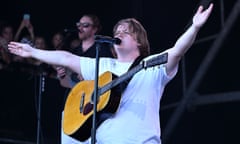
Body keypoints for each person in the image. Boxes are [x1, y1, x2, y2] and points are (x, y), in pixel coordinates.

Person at [8, 3, 213, 144]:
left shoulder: (151, 66)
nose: (119, 33)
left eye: (126, 31)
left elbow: (177, 50)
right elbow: (67, 59)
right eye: (117, 31)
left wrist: (194, 27)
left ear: (139, 41)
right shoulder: (102, 65)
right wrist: (32, 51)